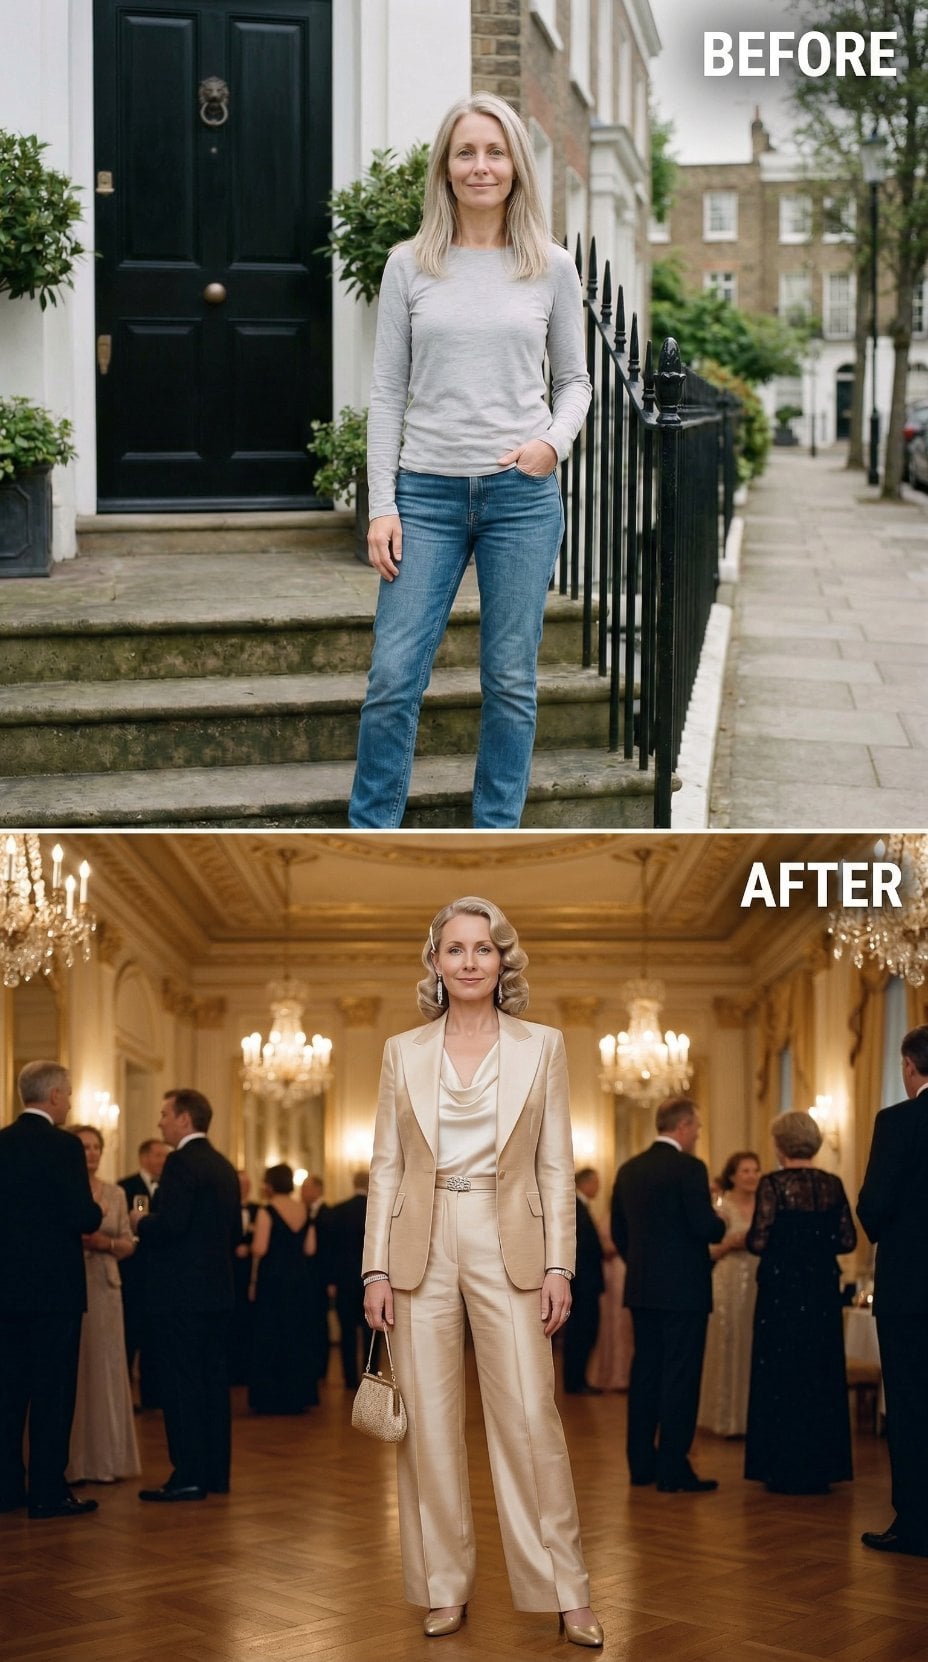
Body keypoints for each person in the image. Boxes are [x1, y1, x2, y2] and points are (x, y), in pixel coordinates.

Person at [363, 897, 602, 1647]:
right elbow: (386, 1166)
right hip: (417, 1244)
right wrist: (374, 1269)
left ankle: (569, 1592)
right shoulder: (403, 1050)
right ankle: (443, 1586)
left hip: (513, 1243)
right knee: (429, 1428)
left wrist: (560, 1263)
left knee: (532, 1419)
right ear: (434, 962)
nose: (470, 961)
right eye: (455, 948)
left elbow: (556, 1165)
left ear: (504, 961)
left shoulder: (544, 1045)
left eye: (484, 948)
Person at [348, 93, 591, 830]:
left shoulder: (550, 267)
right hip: (424, 496)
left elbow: (575, 380)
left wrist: (553, 443)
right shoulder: (408, 265)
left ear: (516, 165)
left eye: (494, 151)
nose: (480, 166)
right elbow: (387, 391)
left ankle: (495, 834)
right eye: (466, 152)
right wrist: (382, 505)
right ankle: (372, 831)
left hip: (520, 497)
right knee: (393, 676)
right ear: (445, 168)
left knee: (511, 680)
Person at [0, 1062, 102, 1519]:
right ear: (56, 1095)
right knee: (52, 1394)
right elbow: (83, 1215)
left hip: (6, 1290)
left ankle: (6, 1488)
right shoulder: (64, 1147)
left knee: (7, 1391)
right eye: (71, 1094)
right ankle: (46, 1490)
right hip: (55, 1292)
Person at [610, 1097, 725, 1492]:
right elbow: (703, 1226)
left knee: (645, 1374)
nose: (697, 1134)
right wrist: (720, 1223)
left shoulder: (629, 1170)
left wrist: (642, 1265)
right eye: (696, 1127)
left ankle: (641, 1465)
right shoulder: (690, 1169)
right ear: (684, 1126)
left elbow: (620, 1232)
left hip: (643, 1289)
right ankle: (673, 1469)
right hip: (685, 1292)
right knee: (680, 1376)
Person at [132, 1088, 241, 1501]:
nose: (159, 1122)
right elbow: (236, 1234)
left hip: (180, 1297)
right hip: (217, 1294)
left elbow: (171, 1226)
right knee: (213, 1384)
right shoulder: (224, 1165)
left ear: (184, 1119)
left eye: (164, 1114)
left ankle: (188, 1475)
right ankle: (215, 1474)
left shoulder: (180, 1162)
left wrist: (140, 1223)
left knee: (182, 1385)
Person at [744, 1111, 856, 1496]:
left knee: (781, 1372)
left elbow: (758, 1241)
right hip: (821, 1291)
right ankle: (821, 1466)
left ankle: (782, 1466)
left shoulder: (773, 1185)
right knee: (819, 1370)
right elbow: (848, 1241)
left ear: (779, 1145)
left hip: (781, 1293)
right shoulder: (833, 1184)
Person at [858, 1025, 928, 1555]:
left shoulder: (898, 1121)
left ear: (910, 1067)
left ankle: (916, 1524)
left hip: (910, 1287)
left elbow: (874, 1203)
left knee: (909, 1403)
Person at [66, 1126, 140, 1485]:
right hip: (69, 1282)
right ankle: (73, 1462)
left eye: (96, 1147)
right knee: (73, 1369)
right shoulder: (63, 1188)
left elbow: (128, 1242)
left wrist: (104, 1243)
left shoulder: (117, 1192)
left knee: (107, 1368)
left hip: (107, 1286)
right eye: (84, 1147)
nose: (91, 1153)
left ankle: (106, 1460)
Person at [697, 1151, 761, 1437]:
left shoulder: (765, 1204)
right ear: (733, 1175)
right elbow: (708, 1249)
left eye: (755, 1170)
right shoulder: (721, 1205)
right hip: (729, 1277)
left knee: (753, 1343)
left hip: (759, 1279)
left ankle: (752, 1418)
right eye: (745, 1170)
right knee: (728, 1341)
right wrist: (731, 1244)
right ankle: (725, 1417)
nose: (751, 1176)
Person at [248, 1163, 319, 1414]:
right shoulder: (304, 1209)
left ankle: (271, 1398)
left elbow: (260, 1248)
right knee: (296, 1335)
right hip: (299, 1280)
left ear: (270, 1184)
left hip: (273, 1280)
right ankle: (297, 1395)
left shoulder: (267, 1211)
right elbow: (310, 1249)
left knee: (270, 1335)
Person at [118, 1137, 169, 1410]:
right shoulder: (126, 1187)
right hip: (132, 1269)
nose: (162, 1160)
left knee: (154, 1337)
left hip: (159, 1273)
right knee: (129, 1335)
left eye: (164, 1155)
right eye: (158, 1155)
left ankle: (153, 1396)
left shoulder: (172, 1188)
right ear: (144, 1158)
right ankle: (125, 1397)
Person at [563, 1168, 605, 1395]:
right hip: (582, 1283)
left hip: (586, 1282)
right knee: (580, 1332)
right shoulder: (576, 1207)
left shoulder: (582, 1206)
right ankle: (575, 1381)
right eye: (596, 1182)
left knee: (585, 1332)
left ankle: (579, 1379)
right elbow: (579, 1247)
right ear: (586, 1183)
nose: (598, 1187)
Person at [326, 1171, 369, 1390]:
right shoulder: (375, 1210)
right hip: (371, 1279)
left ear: (353, 1183)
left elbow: (331, 1249)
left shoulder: (339, 1210)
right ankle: (371, 1375)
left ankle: (350, 1379)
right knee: (372, 1332)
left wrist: (332, 1280)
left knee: (347, 1331)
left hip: (344, 1280)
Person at [230, 1169, 260, 1387]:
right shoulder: (224, 1207)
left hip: (252, 1272)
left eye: (246, 1184)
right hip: (229, 1271)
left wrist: (249, 1246)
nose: (243, 1188)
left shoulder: (259, 1210)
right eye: (239, 1184)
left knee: (250, 1322)